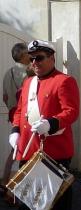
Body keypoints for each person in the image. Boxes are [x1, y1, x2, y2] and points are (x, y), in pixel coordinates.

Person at [2, 40, 79, 210]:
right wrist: (15, 131)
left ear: (52, 58)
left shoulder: (64, 81)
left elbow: (71, 111)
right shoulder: (28, 83)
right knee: (29, 194)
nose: (35, 62)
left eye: (40, 58)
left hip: (55, 149)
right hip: (30, 147)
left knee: (60, 197)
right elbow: (19, 110)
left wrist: (52, 123)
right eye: (32, 58)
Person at [2, 43, 31, 199]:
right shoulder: (28, 73)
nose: (30, 55)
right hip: (25, 118)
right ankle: (10, 191)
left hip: (14, 115)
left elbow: (5, 98)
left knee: (14, 150)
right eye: (28, 52)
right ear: (21, 55)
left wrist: (13, 110)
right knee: (20, 152)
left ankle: (5, 182)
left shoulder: (7, 73)